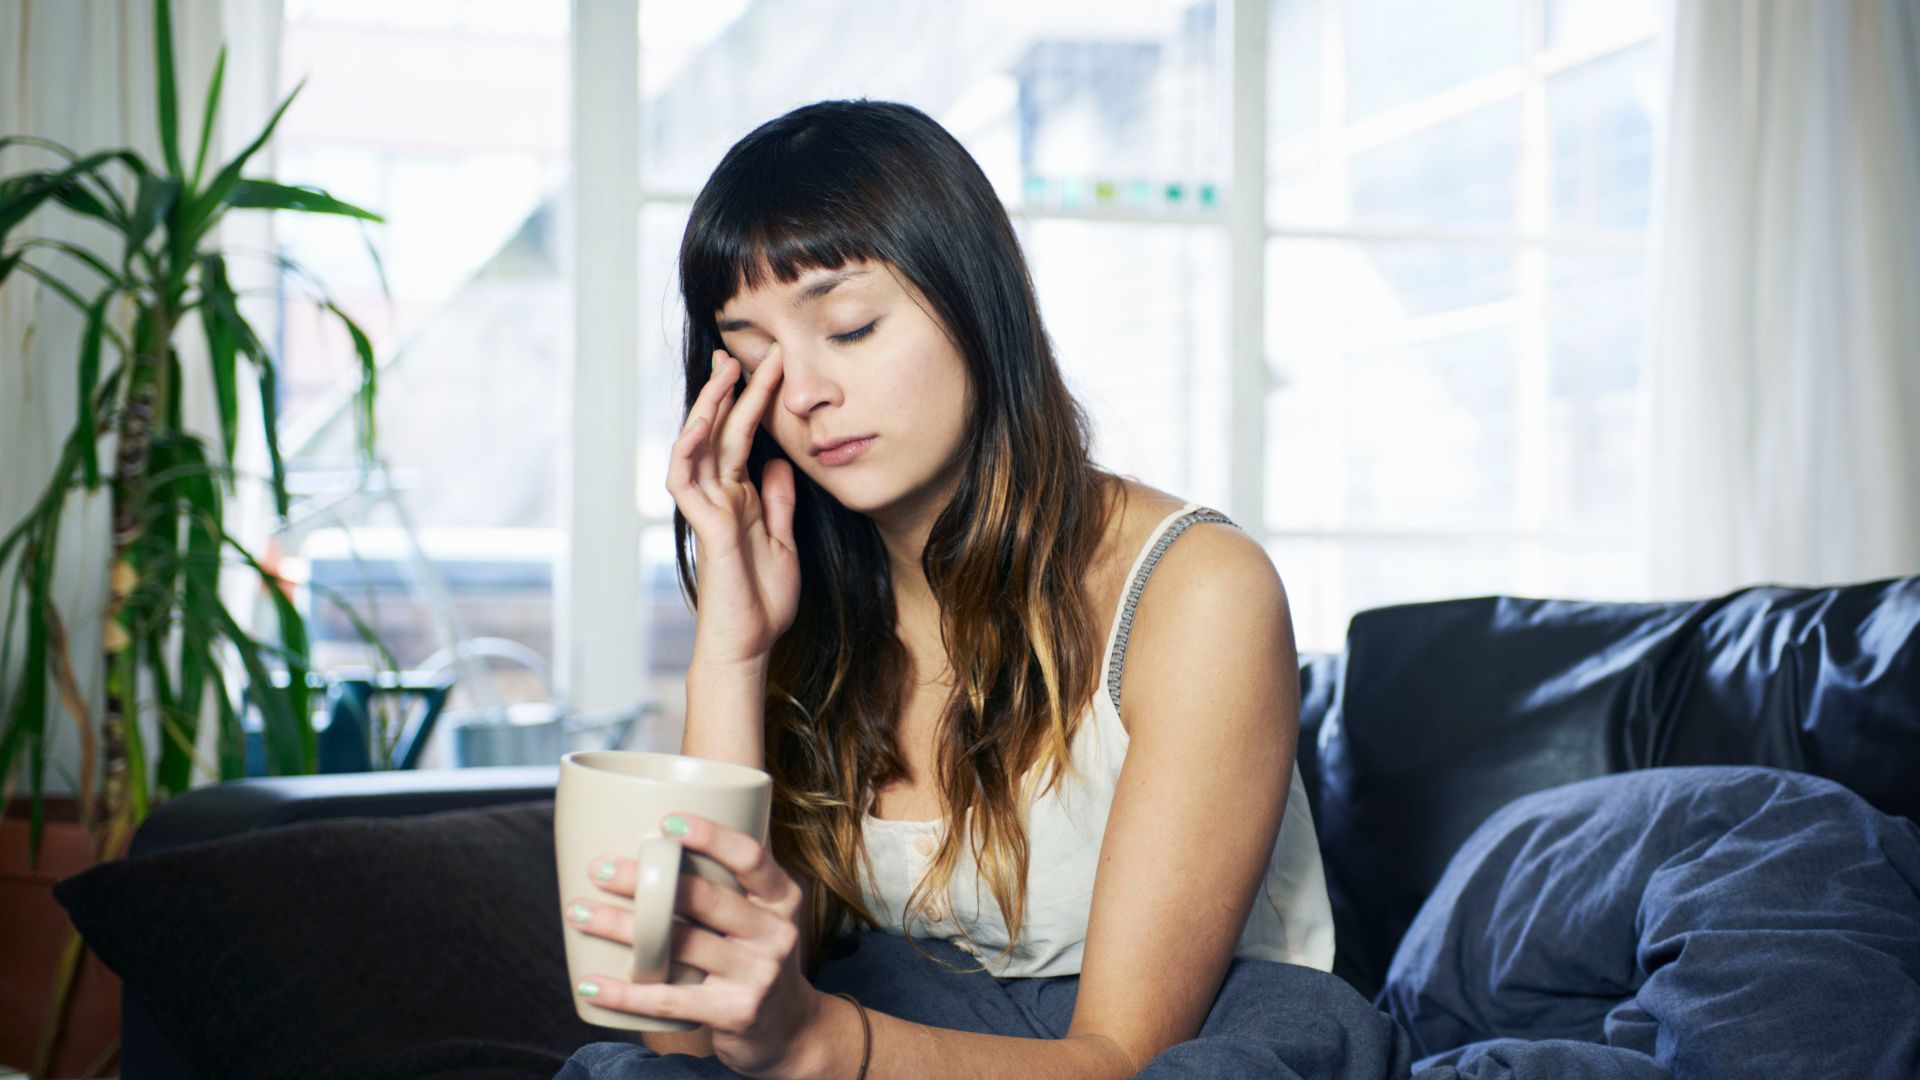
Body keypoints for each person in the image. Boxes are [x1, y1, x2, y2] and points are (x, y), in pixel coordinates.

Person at [554, 100, 1356, 1079]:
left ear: (976, 301)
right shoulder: (815, 603)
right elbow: (684, 1023)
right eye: (755, 354)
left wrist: (819, 1042)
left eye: (848, 327)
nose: (801, 395)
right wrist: (734, 647)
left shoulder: (1198, 592)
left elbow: (1121, 1058)